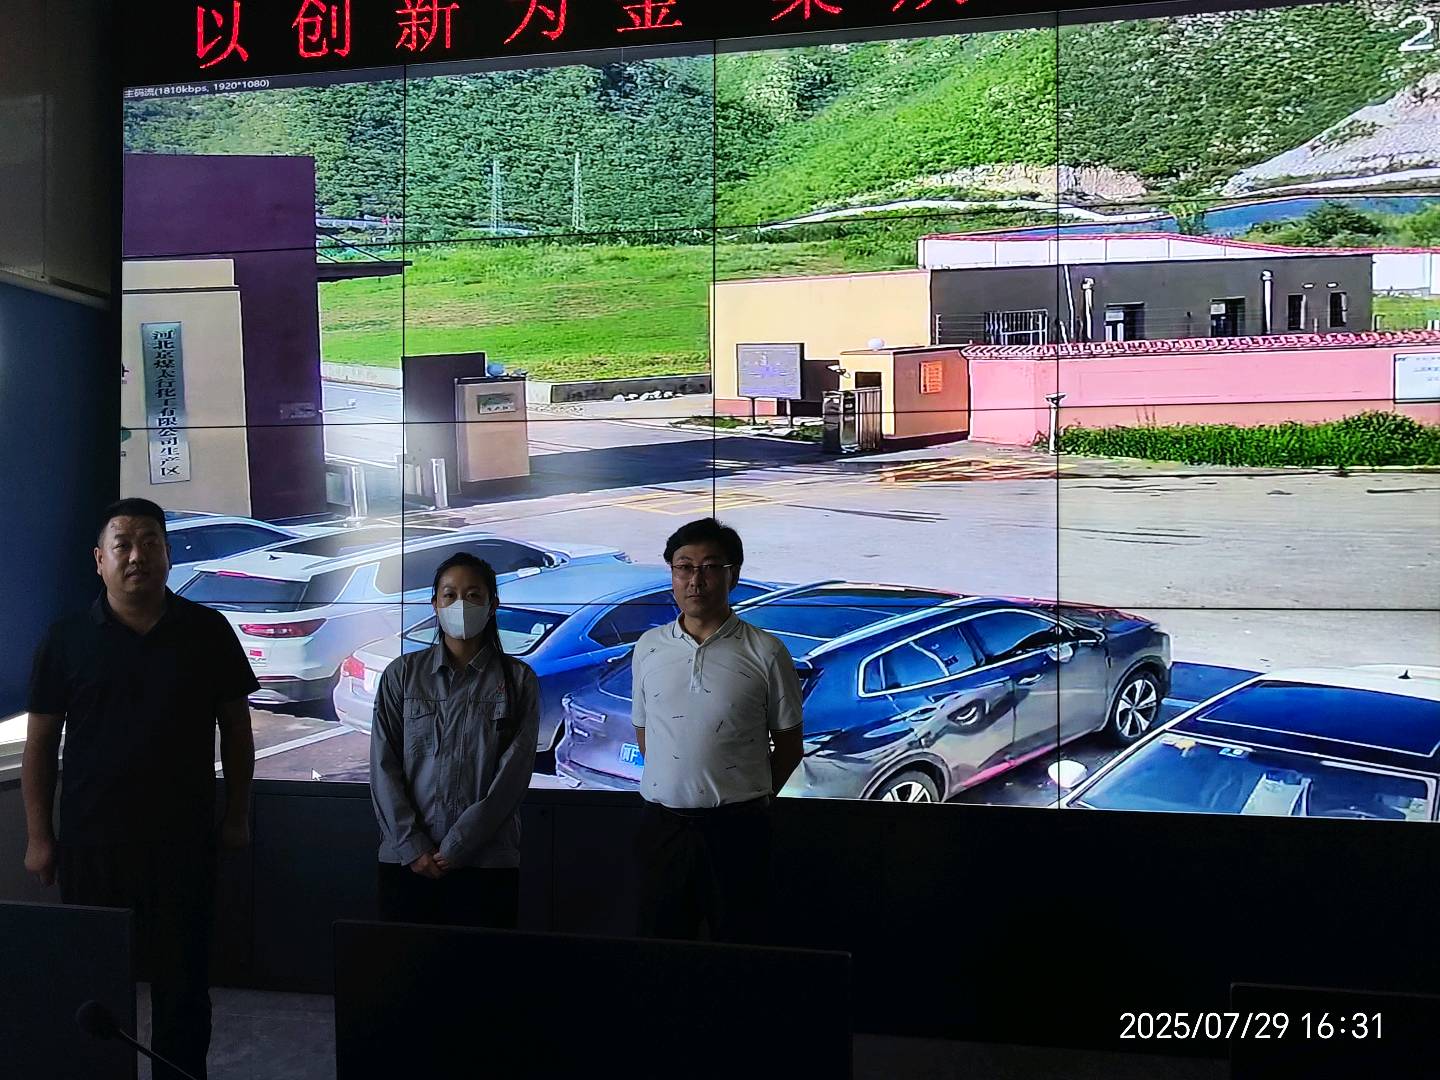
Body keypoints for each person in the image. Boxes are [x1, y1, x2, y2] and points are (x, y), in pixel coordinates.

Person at [22, 498, 257, 1080]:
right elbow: (40, 744)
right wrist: (39, 837)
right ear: (99, 559)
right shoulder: (66, 638)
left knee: (184, 984)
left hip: (184, 841)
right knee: (94, 980)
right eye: (122, 544)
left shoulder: (207, 631)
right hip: (91, 844)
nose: (136, 556)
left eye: (150, 542)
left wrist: (237, 815)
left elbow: (237, 729)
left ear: (169, 556)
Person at [632, 517, 805, 944]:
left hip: (737, 831)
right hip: (662, 828)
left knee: (740, 946)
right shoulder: (649, 646)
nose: (696, 580)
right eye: (684, 567)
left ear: (733, 575)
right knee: (659, 945)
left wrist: (748, 797)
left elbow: (789, 745)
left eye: (710, 567)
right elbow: (645, 732)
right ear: (672, 575)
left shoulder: (766, 651)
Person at [371, 553, 540, 929]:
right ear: (435, 603)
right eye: (450, 595)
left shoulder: (518, 680)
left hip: (487, 861)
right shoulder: (402, 675)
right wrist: (413, 845)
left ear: (493, 605)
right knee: (404, 960)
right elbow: (383, 765)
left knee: (478, 963)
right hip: (407, 859)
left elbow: (513, 774)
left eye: (473, 595)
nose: (460, 605)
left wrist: (460, 844)